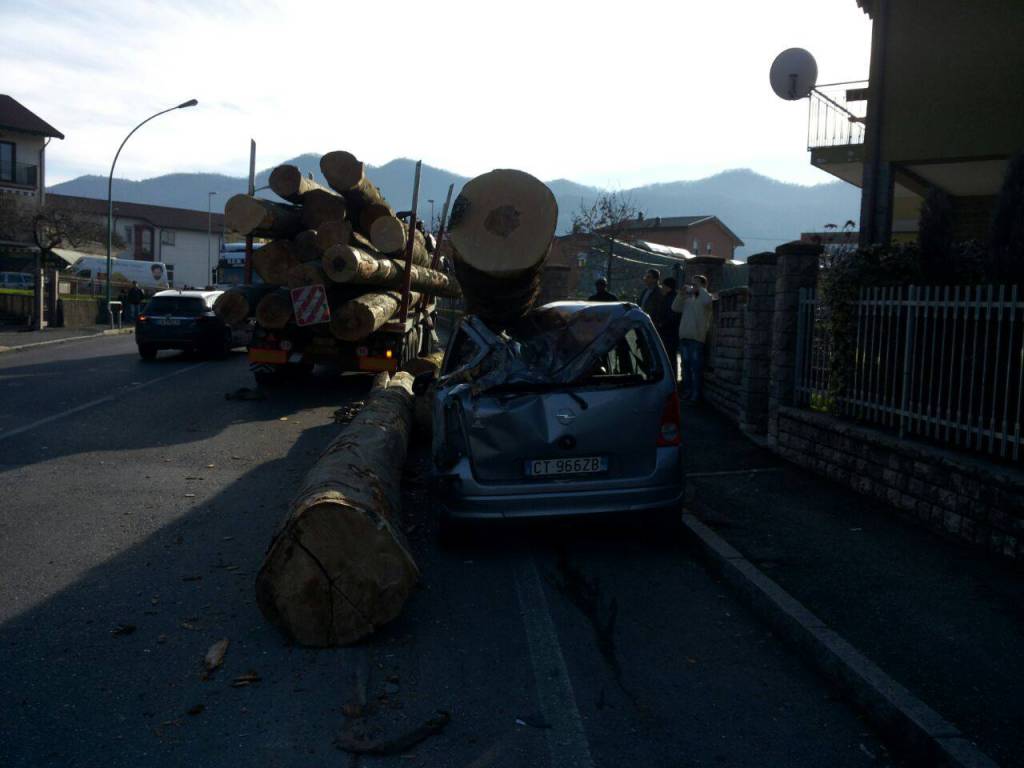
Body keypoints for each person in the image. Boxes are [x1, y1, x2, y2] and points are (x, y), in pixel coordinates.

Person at [672, 275, 714, 402]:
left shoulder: (705, 298)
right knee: (685, 367)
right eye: (692, 284)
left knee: (695, 368)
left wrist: (700, 289)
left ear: (703, 286)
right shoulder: (688, 299)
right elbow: (675, 308)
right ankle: (687, 391)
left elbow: (708, 301)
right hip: (685, 336)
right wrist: (681, 294)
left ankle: (695, 394)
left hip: (696, 338)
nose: (693, 286)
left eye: (696, 284)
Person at [655, 277, 681, 380]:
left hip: (669, 333)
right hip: (668, 332)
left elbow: (672, 316)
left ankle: (671, 379)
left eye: (663, 286)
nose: (662, 288)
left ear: (668, 287)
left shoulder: (671, 299)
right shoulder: (668, 297)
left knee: (669, 358)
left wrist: (661, 324)